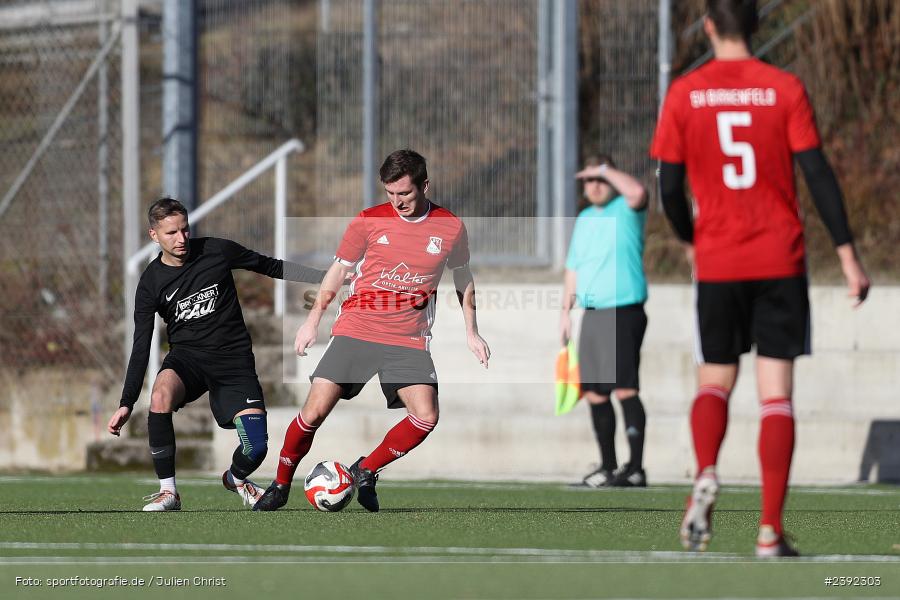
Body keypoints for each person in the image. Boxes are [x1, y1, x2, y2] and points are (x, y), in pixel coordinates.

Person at [650, 0, 871, 556]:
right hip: (780, 260)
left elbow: (669, 186)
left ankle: (705, 470)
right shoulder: (784, 88)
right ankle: (770, 531)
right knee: (777, 396)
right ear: (756, 26)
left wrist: (688, 237)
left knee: (714, 381)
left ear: (707, 27)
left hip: (720, 261)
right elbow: (817, 174)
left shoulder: (685, 93)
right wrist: (847, 254)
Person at [254, 149, 490, 512]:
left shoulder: (450, 226)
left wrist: (472, 331)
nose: (397, 202)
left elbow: (463, 276)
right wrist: (313, 320)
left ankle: (364, 469)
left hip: (408, 339)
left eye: (405, 194)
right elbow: (337, 271)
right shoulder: (368, 220)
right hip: (357, 329)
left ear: (424, 185)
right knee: (314, 413)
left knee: (426, 416)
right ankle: (281, 483)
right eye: (390, 194)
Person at [107, 197, 327, 511]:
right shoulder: (150, 283)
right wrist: (127, 402)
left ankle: (236, 478)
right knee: (160, 396)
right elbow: (141, 345)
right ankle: (168, 492)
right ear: (154, 235)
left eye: (184, 229)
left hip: (233, 361)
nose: (181, 238)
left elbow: (269, 265)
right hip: (188, 360)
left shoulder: (216, 251)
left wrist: (325, 276)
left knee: (256, 448)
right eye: (171, 233)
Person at [560, 153, 650, 488]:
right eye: (589, 180)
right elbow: (573, 269)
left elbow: (638, 192)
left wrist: (606, 170)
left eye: (600, 179)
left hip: (624, 309)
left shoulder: (627, 209)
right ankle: (609, 468)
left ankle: (636, 468)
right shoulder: (584, 218)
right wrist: (564, 314)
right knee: (596, 393)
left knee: (625, 388)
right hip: (594, 314)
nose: (594, 186)